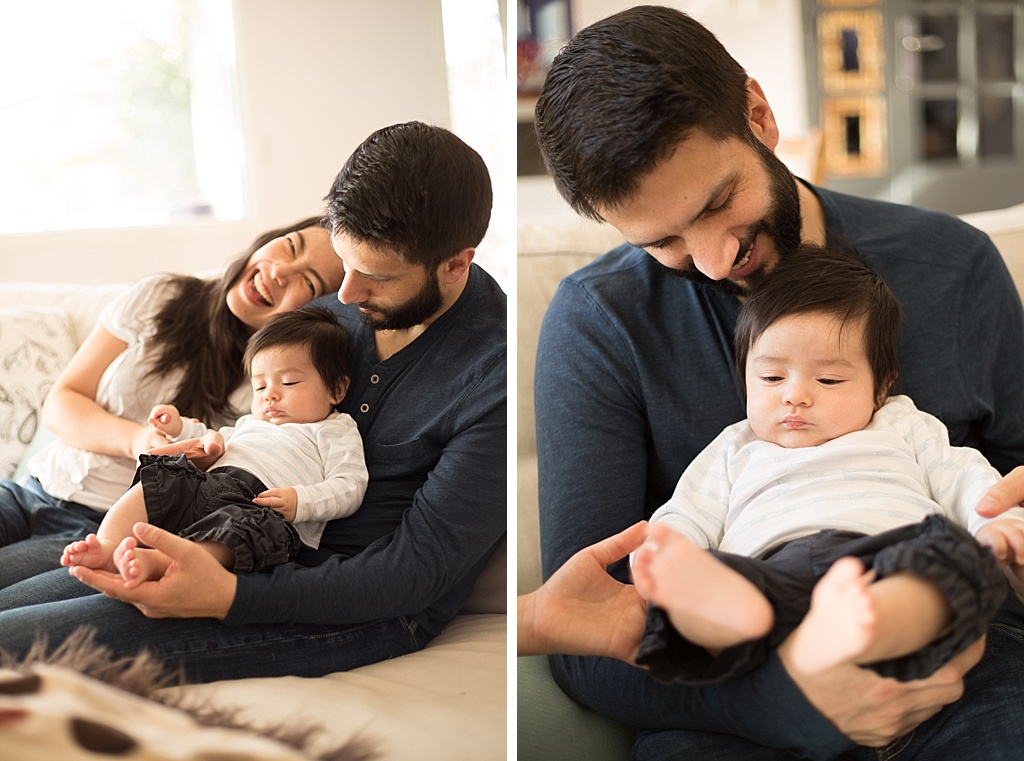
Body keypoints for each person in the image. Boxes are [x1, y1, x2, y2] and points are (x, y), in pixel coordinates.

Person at [531, 6, 1024, 760]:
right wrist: (791, 700)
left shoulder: (955, 267)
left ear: (759, 117)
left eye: (718, 204)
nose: (712, 261)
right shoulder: (599, 324)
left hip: (965, 669)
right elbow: (588, 624)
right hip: (731, 705)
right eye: (662, 241)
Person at [0, 121, 507, 686]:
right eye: (345, 263)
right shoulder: (333, 316)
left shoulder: (495, 375)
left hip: (357, 607)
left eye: (377, 277)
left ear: (456, 264)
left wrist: (231, 594)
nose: (346, 294)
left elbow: (416, 573)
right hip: (227, 542)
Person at [631, 246, 1024, 690]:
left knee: (961, 569)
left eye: (829, 380)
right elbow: (687, 512)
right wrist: (666, 551)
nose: (794, 396)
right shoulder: (734, 446)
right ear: (745, 377)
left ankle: (856, 630)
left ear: (881, 386)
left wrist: (997, 522)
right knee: (703, 595)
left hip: (892, 559)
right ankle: (738, 621)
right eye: (772, 378)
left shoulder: (901, 422)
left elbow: (961, 474)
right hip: (768, 568)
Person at [0, 217, 344, 591]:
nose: (280, 271)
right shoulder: (161, 296)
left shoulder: (276, 392)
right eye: (290, 246)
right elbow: (62, 402)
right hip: (32, 488)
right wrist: (137, 441)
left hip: (108, 530)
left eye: (307, 281)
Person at [60, 306, 367, 585]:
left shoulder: (335, 429)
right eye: (260, 386)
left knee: (246, 535)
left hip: (258, 507)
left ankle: (158, 562)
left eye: (288, 382)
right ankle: (109, 544)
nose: (270, 395)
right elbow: (213, 438)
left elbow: (350, 485)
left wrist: (301, 501)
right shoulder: (251, 424)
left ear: (336, 389)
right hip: (208, 484)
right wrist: (181, 427)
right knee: (163, 475)